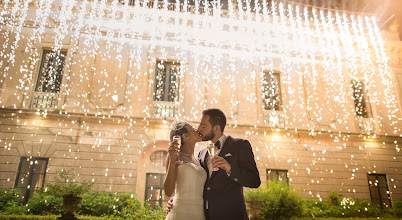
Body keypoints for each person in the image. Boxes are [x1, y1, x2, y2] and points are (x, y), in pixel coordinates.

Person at [167, 108, 261, 220]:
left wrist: (229, 168)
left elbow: (254, 181)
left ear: (216, 128)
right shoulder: (201, 155)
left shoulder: (240, 145)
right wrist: (176, 199)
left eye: (203, 126)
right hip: (206, 216)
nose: (199, 129)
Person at [164, 121, 206, 220]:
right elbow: (168, 191)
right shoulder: (173, 157)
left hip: (200, 213)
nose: (197, 130)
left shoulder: (198, 159)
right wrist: (173, 160)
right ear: (185, 136)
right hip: (180, 212)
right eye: (193, 129)